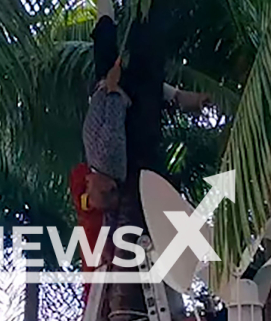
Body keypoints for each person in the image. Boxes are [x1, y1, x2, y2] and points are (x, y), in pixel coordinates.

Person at [70, 0, 210, 303]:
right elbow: (106, 123)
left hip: (114, 94)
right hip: (117, 97)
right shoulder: (108, 162)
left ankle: (174, 93)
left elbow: (102, 121)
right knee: (129, 58)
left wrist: (110, 90)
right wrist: (111, 91)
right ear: (106, 187)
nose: (88, 186)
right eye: (91, 191)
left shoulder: (103, 166)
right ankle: (175, 93)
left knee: (125, 57)